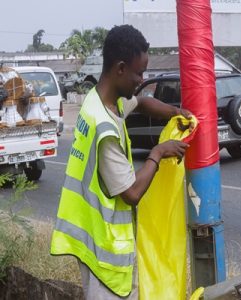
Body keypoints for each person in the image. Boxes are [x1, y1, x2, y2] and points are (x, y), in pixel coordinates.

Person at [50, 24, 191, 299]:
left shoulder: (100, 101)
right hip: (102, 250)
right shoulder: (105, 127)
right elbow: (132, 193)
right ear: (121, 69)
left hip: (90, 237)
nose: (142, 78)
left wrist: (175, 112)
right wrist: (158, 153)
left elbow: (140, 102)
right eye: (139, 73)